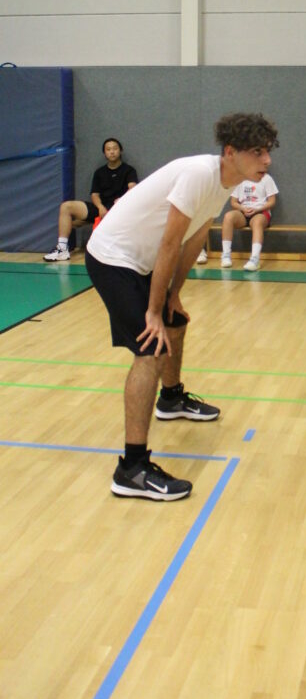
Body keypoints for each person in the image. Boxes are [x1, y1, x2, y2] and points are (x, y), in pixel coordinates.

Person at [85, 112, 278, 501]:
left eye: (267, 152)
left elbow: (194, 239)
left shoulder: (225, 183)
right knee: (151, 348)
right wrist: (152, 312)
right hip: (112, 257)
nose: (267, 160)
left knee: (175, 321)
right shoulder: (198, 175)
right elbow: (169, 243)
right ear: (231, 151)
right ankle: (131, 469)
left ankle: (170, 399)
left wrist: (172, 297)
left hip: (139, 261)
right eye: (258, 152)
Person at [44, 138, 138, 261]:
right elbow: (94, 194)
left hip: (119, 209)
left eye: (115, 148)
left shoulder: (129, 170)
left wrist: (121, 200)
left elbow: (132, 189)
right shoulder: (99, 172)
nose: (112, 152)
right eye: (108, 149)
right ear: (104, 153)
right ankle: (62, 249)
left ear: (120, 151)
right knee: (66, 207)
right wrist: (100, 207)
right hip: (101, 208)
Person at [220, 173, 278, 271]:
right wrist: (243, 208)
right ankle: (226, 255)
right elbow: (233, 202)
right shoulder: (239, 178)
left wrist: (257, 209)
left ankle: (254, 259)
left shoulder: (266, 178)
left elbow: (272, 201)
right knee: (228, 216)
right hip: (243, 212)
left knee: (257, 223)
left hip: (260, 212)